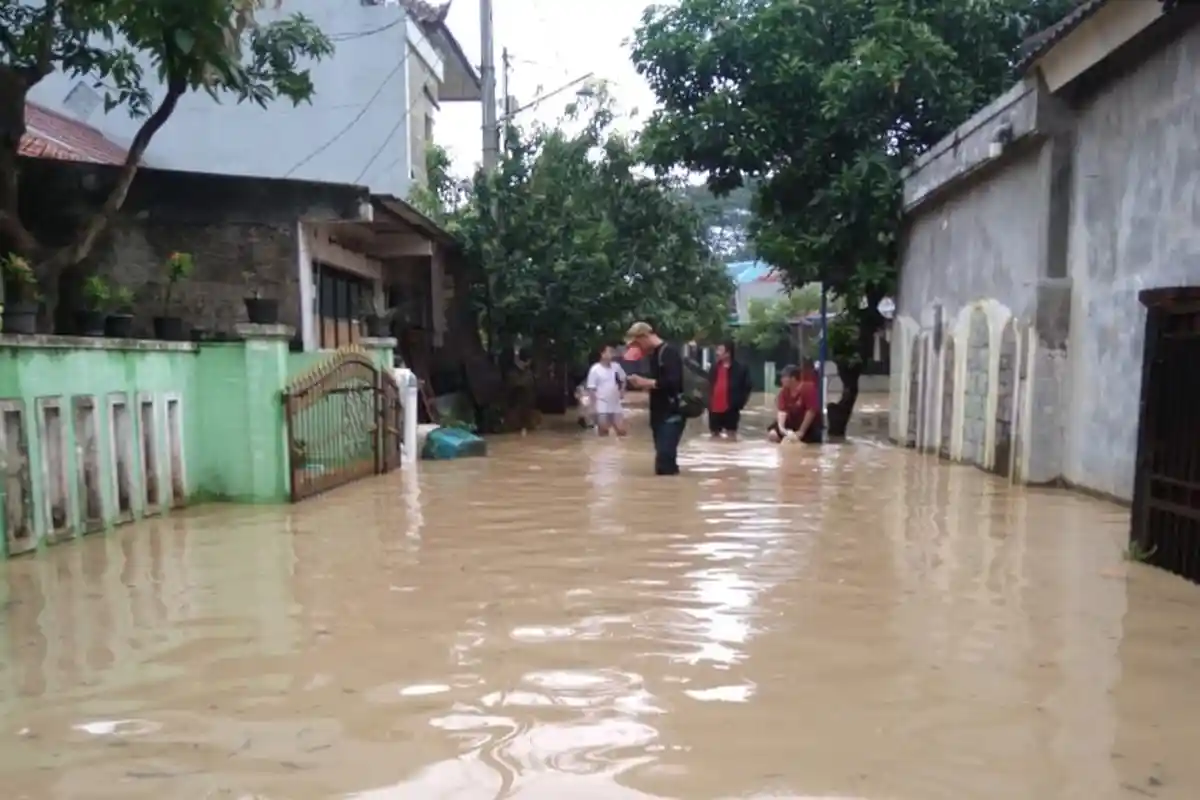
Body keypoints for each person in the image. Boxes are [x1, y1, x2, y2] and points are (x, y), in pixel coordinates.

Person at [624, 321, 685, 475]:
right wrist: (644, 384)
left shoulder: (669, 352)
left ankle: (671, 492)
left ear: (645, 337)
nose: (639, 349)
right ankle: (670, 493)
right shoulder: (653, 355)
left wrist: (647, 382)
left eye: (638, 344)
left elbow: (674, 382)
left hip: (672, 413)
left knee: (665, 459)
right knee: (663, 460)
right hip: (659, 413)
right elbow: (659, 383)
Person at [707, 341, 753, 439]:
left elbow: (747, 387)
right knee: (714, 436)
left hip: (731, 408)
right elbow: (708, 384)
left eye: (720, 350)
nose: (717, 352)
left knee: (731, 435)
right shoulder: (714, 367)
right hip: (714, 408)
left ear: (728, 353)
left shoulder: (741, 369)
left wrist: (739, 403)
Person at [768, 363, 823, 444]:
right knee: (772, 435)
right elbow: (782, 412)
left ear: (793, 379)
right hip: (791, 422)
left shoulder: (808, 388)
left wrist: (801, 431)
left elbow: (811, 412)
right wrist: (782, 429)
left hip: (809, 425)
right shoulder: (784, 392)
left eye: (784, 377)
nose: (781, 380)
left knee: (809, 443)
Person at [585, 343, 628, 436]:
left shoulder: (616, 366)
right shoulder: (595, 369)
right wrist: (593, 407)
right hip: (601, 404)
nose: (612, 354)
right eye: (609, 352)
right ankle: (602, 449)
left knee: (622, 431)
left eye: (612, 352)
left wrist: (622, 391)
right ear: (602, 354)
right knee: (603, 431)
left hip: (615, 403)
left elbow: (623, 379)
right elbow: (591, 389)